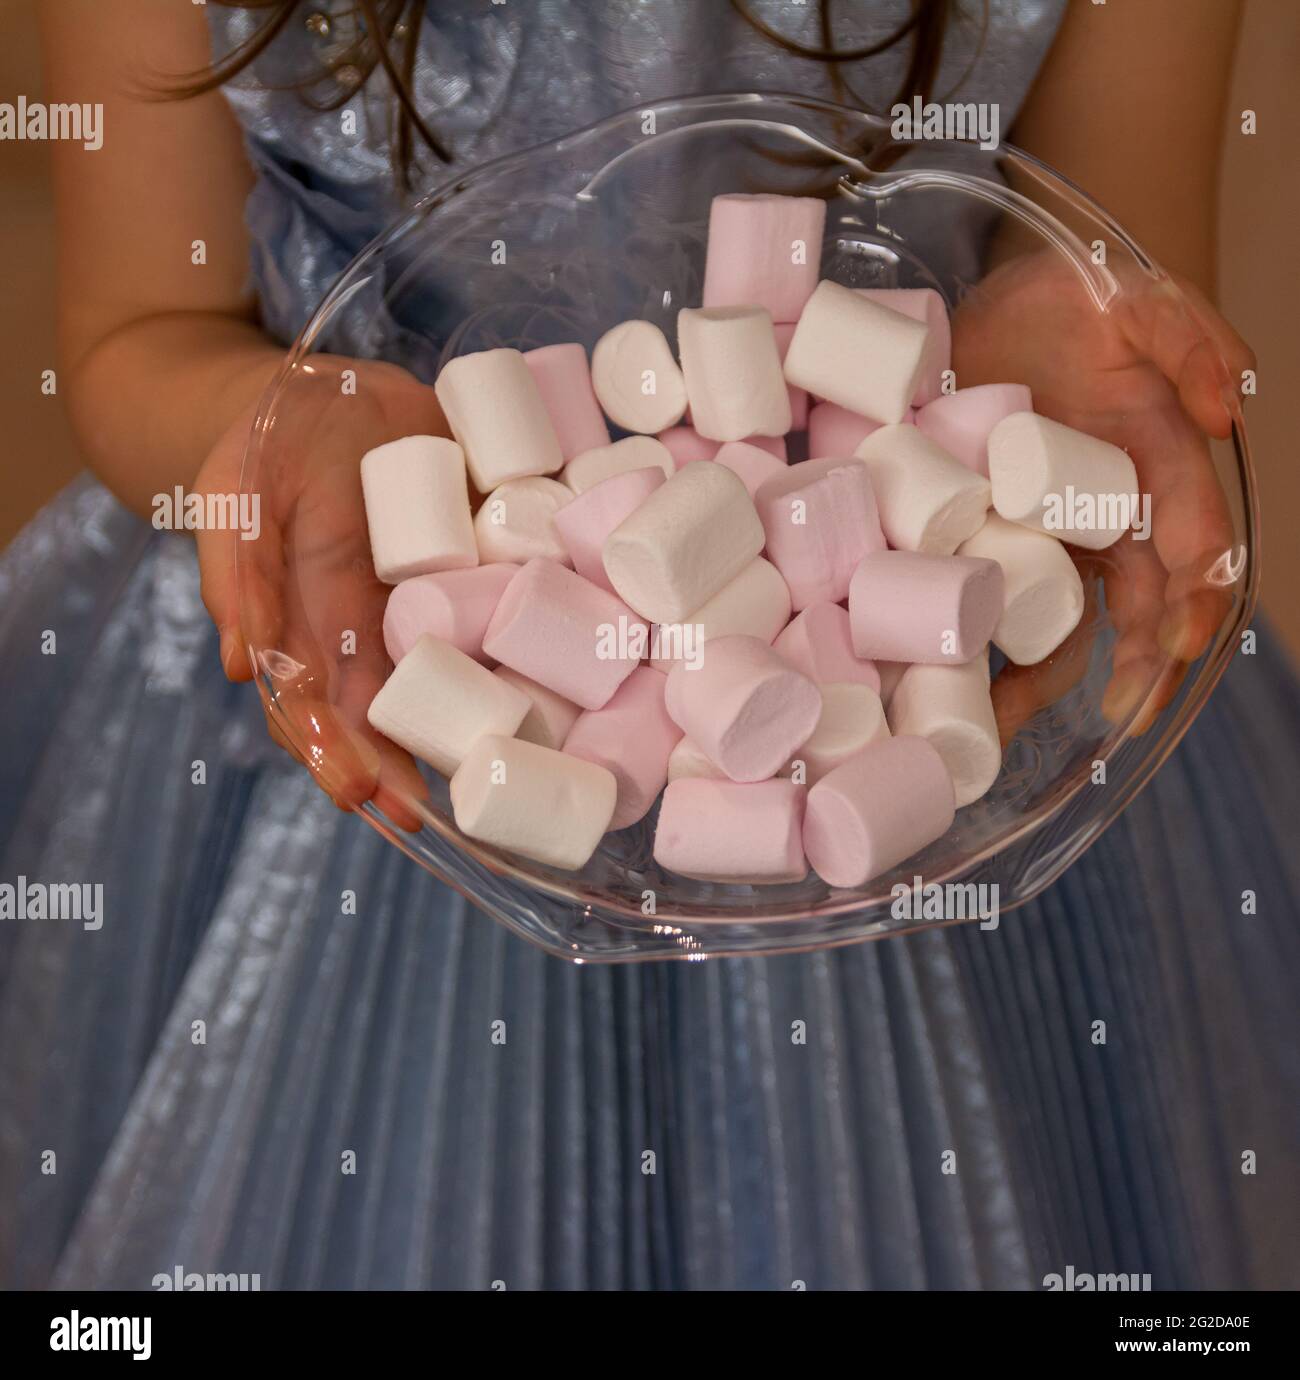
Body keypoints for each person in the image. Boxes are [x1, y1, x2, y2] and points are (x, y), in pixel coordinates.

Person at [2, 0, 1293, 1288]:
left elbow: (1105, 240)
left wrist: (1055, 359)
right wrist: (272, 419)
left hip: (925, 729)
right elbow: (134, 335)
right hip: (353, 664)